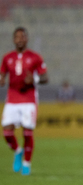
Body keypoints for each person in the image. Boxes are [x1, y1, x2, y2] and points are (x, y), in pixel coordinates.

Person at [0, 27, 48, 175]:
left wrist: (33, 79)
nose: (20, 39)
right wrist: (1, 79)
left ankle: (27, 163)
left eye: (23, 36)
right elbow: (2, 74)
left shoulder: (35, 57)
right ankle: (18, 151)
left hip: (29, 98)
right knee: (7, 131)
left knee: (27, 132)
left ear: (26, 39)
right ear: (14, 40)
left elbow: (45, 78)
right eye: (17, 37)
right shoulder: (7, 58)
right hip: (13, 97)